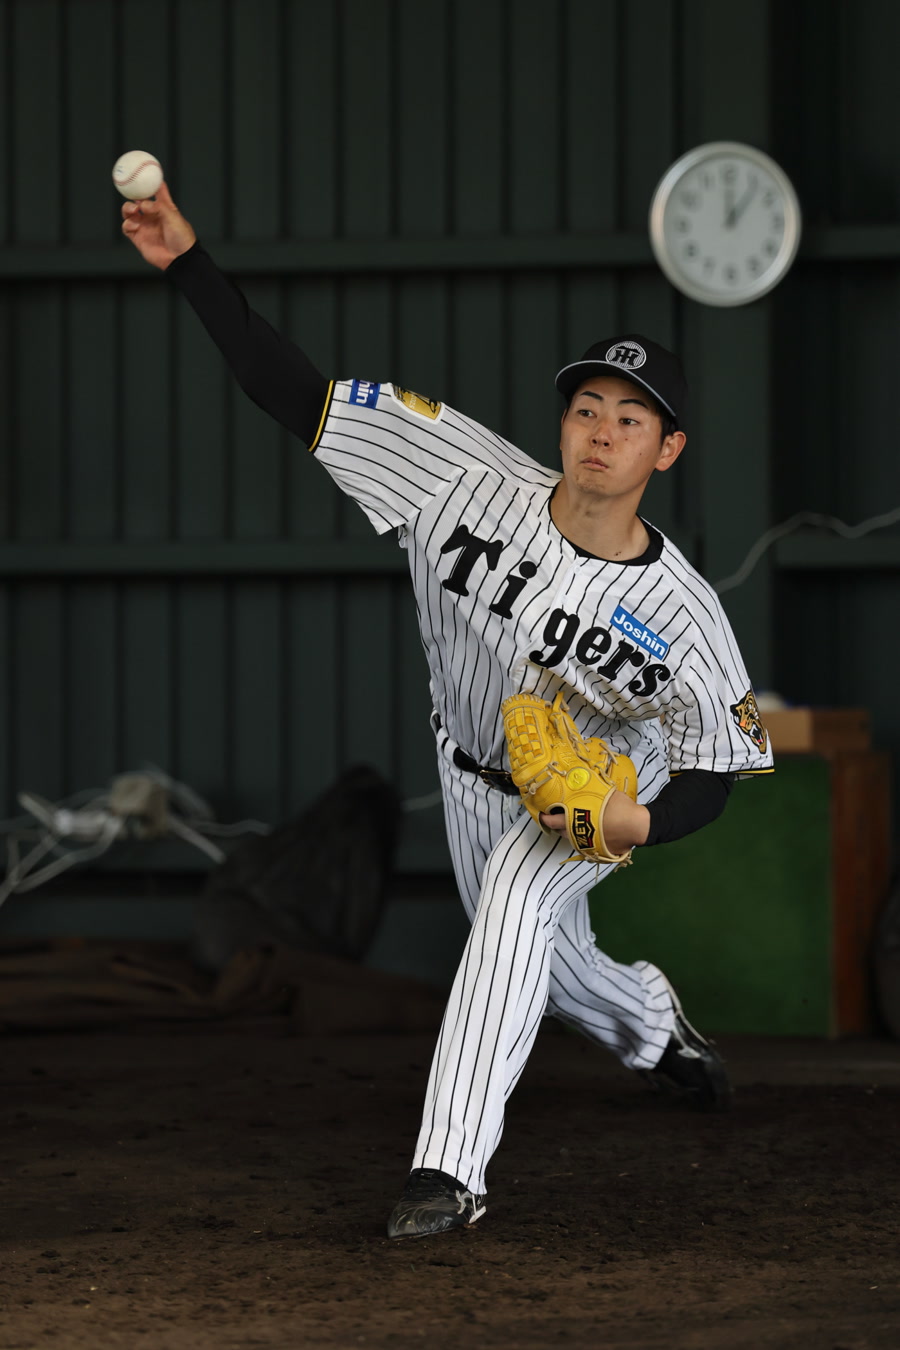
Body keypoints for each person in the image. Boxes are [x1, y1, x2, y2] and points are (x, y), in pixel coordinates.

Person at [121, 184, 773, 1240]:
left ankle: (448, 1172)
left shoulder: (683, 614)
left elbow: (717, 764)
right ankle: (656, 1030)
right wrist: (191, 264)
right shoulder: (459, 476)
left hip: (605, 772)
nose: (602, 433)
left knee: (516, 906)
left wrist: (638, 820)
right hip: (471, 768)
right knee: (554, 971)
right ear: (563, 422)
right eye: (587, 409)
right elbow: (293, 392)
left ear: (668, 449)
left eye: (631, 419)